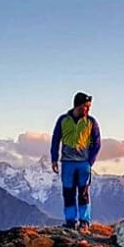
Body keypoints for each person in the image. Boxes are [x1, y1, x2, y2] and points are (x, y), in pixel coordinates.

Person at [50, 92, 101, 232]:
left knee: (83, 193)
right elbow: (56, 139)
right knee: (68, 193)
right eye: (86, 107)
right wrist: (54, 158)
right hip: (67, 163)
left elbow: (97, 143)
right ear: (78, 106)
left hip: (83, 164)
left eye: (89, 107)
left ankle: (84, 222)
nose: (88, 110)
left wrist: (90, 161)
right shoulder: (63, 120)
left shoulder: (91, 122)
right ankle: (70, 222)